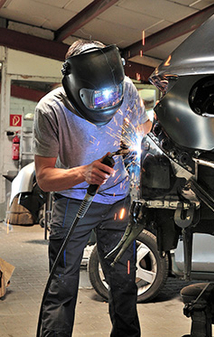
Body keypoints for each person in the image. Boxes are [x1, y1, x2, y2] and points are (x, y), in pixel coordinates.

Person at [33, 39, 152, 337]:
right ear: (75, 85)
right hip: (75, 203)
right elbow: (45, 178)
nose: (106, 103)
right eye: (95, 98)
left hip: (119, 202)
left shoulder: (125, 89)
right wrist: (83, 173)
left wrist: (137, 139)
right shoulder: (51, 109)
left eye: (112, 95)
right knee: (62, 286)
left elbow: (142, 129)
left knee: (125, 283)